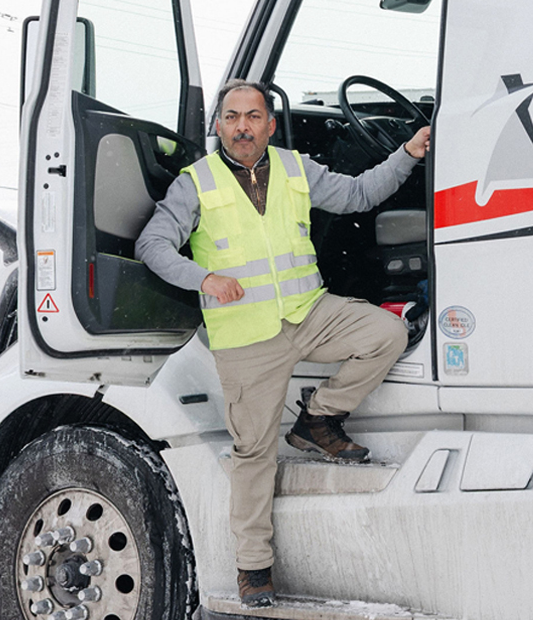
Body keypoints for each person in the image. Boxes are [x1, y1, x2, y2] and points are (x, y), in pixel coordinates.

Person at [135, 78, 430, 608]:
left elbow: (360, 193)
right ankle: (253, 568)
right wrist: (203, 278)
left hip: (308, 313)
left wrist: (407, 153)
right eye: (232, 117)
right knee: (253, 455)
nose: (243, 127)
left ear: (270, 124)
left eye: (253, 117)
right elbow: (153, 244)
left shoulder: (296, 168)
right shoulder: (195, 182)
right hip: (247, 338)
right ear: (219, 126)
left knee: (386, 332)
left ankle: (318, 418)